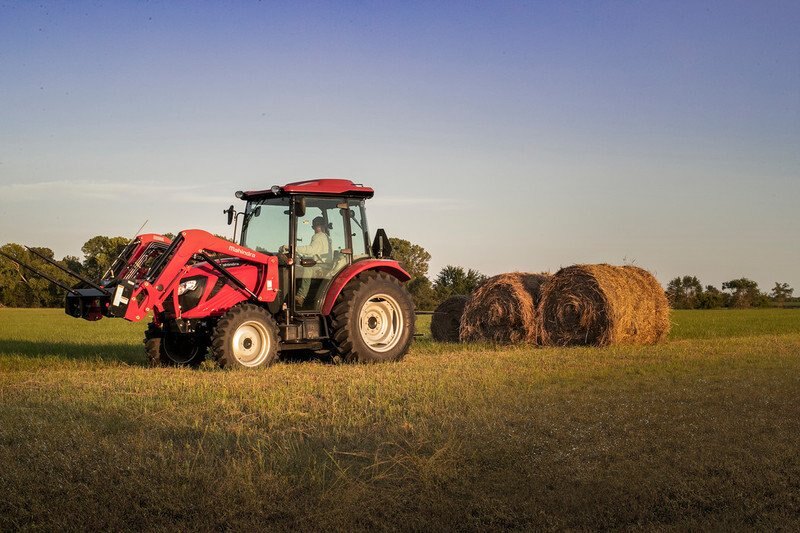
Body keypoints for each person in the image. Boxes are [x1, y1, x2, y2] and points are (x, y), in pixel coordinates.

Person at [294, 216, 330, 305]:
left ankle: (301, 295)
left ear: (321, 226)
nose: (314, 229)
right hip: (323, 263)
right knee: (303, 266)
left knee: (307, 268)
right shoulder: (326, 237)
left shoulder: (319, 236)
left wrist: (294, 248)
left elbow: (311, 249)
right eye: (314, 227)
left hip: (322, 265)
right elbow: (315, 252)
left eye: (315, 226)